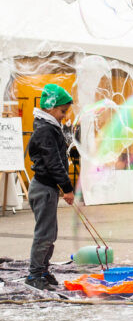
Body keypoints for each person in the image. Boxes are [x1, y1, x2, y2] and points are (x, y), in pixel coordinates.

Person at [25, 84, 75, 291]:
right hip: (44, 189)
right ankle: (34, 274)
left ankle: (43, 270)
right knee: (44, 234)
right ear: (50, 108)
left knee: (50, 233)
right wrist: (67, 188)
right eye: (62, 111)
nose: (64, 116)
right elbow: (54, 162)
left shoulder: (48, 126)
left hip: (47, 188)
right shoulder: (45, 129)